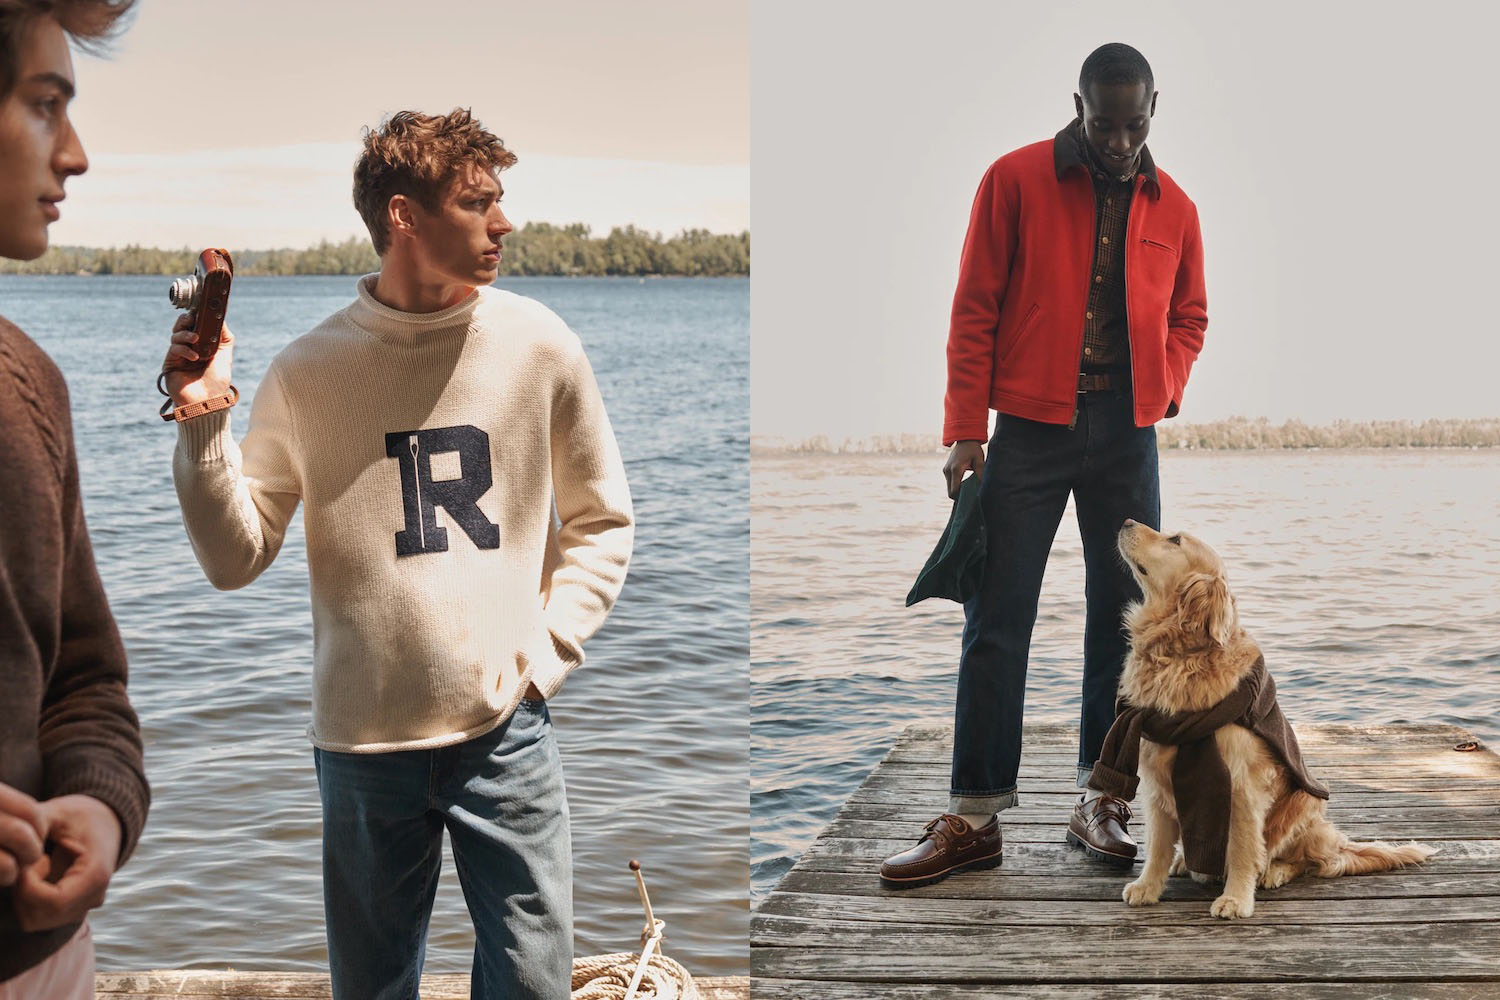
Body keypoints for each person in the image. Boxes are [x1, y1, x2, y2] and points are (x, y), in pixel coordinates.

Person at [162, 108, 633, 1000]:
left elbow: (602, 521)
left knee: (535, 985)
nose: (504, 222)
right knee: (372, 989)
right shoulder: (310, 371)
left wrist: (548, 656)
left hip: (507, 733)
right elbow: (235, 557)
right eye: (477, 202)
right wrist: (202, 421)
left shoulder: (540, 347)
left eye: (500, 200)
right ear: (405, 217)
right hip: (362, 746)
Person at [879, 42, 1208, 888]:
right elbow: (974, 306)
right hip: (1026, 427)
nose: (1121, 140)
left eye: (1135, 123)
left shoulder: (1176, 207)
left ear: (1152, 109)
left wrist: (1162, 388)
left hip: (1127, 432)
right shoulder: (1014, 179)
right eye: (1106, 123)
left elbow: (1191, 314)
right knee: (996, 622)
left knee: (1124, 621)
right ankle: (976, 815)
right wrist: (965, 430)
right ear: (1079, 106)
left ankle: (1103, 799)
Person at [0, 0, 150, 995]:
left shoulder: (31, 387)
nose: (79, 154)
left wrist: (99, 806)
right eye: (46, 104)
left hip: (45, 959)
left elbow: (85, 684)